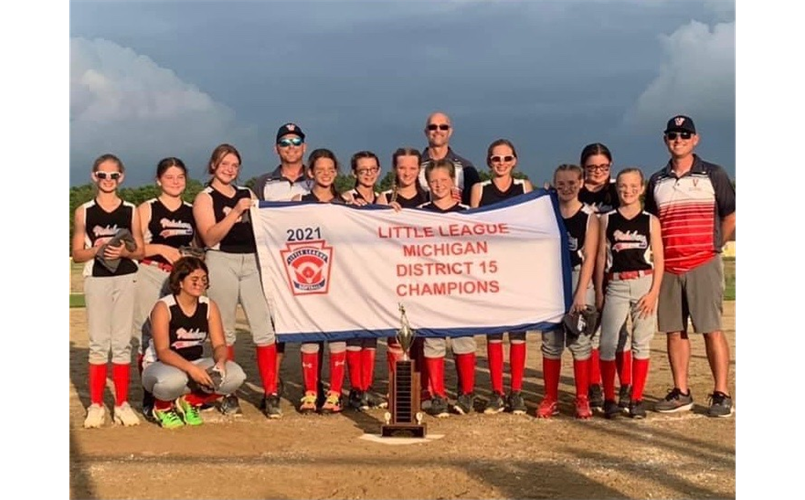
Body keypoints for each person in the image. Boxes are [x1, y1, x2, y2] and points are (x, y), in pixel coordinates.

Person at [645, 115, 737, 418]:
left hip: (703, 262)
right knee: (673, 331)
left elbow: (730, 216)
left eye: (685, 135)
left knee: (711, 329)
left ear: (695, 139)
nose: (679, 139)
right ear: (665, 139)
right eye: (673, 135)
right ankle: (681, 391)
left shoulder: (713, 174)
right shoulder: (657, 180)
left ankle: (721, 392)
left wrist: (714, 247)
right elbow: (653, 222)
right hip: (670, 265)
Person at [192, 143, 281, 418]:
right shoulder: (205, 197)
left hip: (253, 261)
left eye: (234, 165)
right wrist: (234, 212)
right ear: (213, 166)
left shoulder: (246, 193)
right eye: (224, 164)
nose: (229, 169)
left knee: (264, 328)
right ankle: (227, 391)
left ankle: (271, 392)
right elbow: (209, 237)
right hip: (221, 261)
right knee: (225, 331)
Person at [72, 153, 145, 428]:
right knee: (99, 342)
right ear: (94, 176)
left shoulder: (130, 209)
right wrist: (99, 249)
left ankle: (122, 404)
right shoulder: (85, 211)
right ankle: (95, 405)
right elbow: (78, 254)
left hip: (126, 276)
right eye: (102, 175)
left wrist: (126, 251)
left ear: (121, 177)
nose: (108, 180)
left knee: (122, 341)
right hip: (98, 277)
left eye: (113, 175)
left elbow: (139, 250)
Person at [141, 256, 248, 428]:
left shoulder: (209, 306)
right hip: (161, 365)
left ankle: (190, 401)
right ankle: (161, 407)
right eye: (194, 279)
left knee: (235, 375)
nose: (200, 283)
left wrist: (220, 362)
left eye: (204, 280)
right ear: (180, 282)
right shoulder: (164, 307)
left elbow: (220, 345)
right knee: (174, 380)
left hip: (194, 362)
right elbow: (163, 351)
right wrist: (192, 370)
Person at [469, 139, 534, 414]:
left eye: (507, 159)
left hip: (516, 269)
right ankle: (497, 391)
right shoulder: (479, 189)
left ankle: (516, 391)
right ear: (489, 162)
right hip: (491, 269)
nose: (501, 164)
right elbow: (472, 229)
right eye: (496, 159)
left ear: (515, 161)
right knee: (494, 334)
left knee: (518, 333)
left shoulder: (524, 187)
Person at [252, 123, 316, 401]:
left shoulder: (317, 178)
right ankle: (272, 388)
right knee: (275, 328)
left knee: (313, 327)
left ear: (305, 146)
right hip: (276, 266)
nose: (291, 147)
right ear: (276, 148)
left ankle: (312, 387)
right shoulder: (263, 183)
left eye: (296, 141)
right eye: (285, 142)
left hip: (311, 263)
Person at [595, 167, 664, 419]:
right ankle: (611, 398)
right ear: (616, 187)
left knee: (640, 343)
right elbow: (602, 256)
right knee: (608, 342)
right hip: (616, 284)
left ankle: (636, 398)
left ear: (642, 188)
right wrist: (601, 292)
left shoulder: (650, 220)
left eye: (634, 186)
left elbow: (660, 260)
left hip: (644, 283)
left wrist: (654, 292)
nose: (628, 191)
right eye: (623, 186)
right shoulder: (607, 219)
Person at [133, 157, 199, 419]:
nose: (175, 181)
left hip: (180, 279)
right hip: (151, 271)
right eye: (169, 177)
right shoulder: (148, 208)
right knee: (148, 334)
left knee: (178, 334)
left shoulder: (191, 210)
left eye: (180, 176)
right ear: (159, 180)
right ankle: (150, 394)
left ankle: (177, 392)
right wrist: (160, 248)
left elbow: (196, 246)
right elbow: (133, 248)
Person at [537, 164, 600, 419]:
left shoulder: (589, 216)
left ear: (581, 183)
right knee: (551, 342)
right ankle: (550, 397)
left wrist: (582, 292)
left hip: (577, 279)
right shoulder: (547, 214)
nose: (566, 188)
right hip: (551, 281)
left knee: (580, 341)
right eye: (561, 184)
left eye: (572, 183)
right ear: (554, 185)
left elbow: (590, 258)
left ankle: (582, 397)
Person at [291, 149, 348, 414]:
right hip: (310, 277)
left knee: (337, 336)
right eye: (320, 169)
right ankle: (311, 391)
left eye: (331, 169)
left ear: (336, 172)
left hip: (339, 280)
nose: (325, 174)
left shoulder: (346, 205)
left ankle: (335, 393)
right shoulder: (299, 202)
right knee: (310, 336)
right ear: (310, 172)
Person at [414, 159, 472, 418]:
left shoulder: (468, 212)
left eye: (443, 181)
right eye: (433, 181)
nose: (438, 186)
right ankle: (437, 394)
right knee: (434, 342)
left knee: (463, 340)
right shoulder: (419, 213)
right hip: (432, 288)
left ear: (453, 182)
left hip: (461, 289)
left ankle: (466, 393)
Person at [578, 143, 633, 412]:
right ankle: (594, 384)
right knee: (588, 330)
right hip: (584, 270)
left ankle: (626, 385)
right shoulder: (575, 191)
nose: (598, 172)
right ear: (583, 169)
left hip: (614, 269)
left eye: (603, 166)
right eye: (592, 167)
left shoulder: (617, 190)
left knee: (618, 332)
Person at [379, 147, 431, 407]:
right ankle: (398, 386)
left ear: (419, 169)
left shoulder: (430, 197)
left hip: (423, 275)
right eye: (402, 168)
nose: (407, 173)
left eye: (412, 168)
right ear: (394, 169)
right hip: (394, 275)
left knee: (421, 334)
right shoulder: (384, 198)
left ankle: (422, 387)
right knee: (396, 333)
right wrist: (384, 214)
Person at [342, 151, 386, 411]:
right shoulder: (346, 199)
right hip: (352, 273)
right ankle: (355, 389)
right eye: (362, 170)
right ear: (354, 173)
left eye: (372, 169)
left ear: (378, 171)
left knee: (371, 333)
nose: (367, 174)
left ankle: (366, 387)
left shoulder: (385, 199)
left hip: (376, 274)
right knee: (353, 333)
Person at [418, 111, 481, 206]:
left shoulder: (465, 167)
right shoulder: (414, 167)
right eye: (432, 127)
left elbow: (476, 203)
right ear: (426, 132)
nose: (438, 131)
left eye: (443, 127)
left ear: (450, 132)